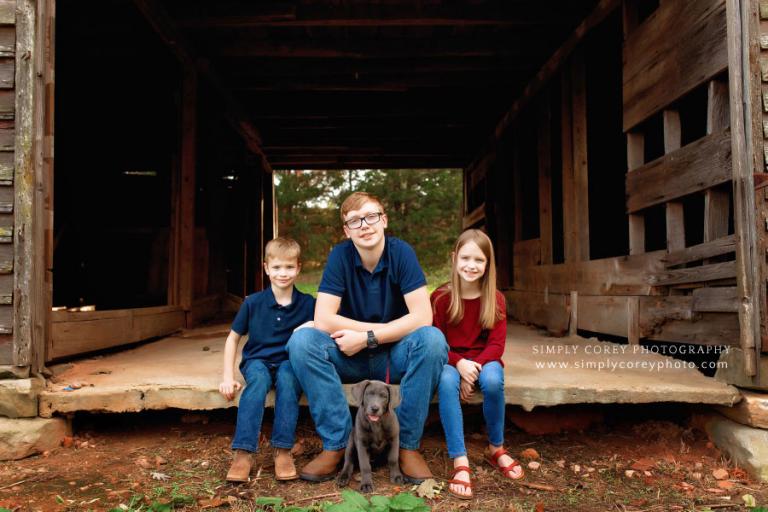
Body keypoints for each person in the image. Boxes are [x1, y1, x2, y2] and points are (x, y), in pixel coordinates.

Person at [287, 191, 448, 483]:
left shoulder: (401, 253)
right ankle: (336, 445)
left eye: (371, 216)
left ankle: (407, 447)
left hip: (393, 354)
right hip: (349, 354)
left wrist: (368, 337)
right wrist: (361, 338)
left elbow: (423, 317)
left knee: (432, 340)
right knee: (302, 343)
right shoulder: (340, 256)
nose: (365, 225)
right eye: (355, 221)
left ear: (384, 219)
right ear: (347, 230)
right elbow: (323, 317)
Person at [431, 229, 524, 500]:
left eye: (479, 260)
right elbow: (435, 343)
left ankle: (496, 447)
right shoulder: (440, 298)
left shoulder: (496, 299)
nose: (471, 265)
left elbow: (496, 345)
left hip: (485, 359)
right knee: (446, 381)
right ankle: (460, 460)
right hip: (450, 359)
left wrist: (473, 368)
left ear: (488, 264)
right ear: (454, 258)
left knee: (494, 381)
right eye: (465, 258)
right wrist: (459, 364)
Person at [219, 237, 315, 482]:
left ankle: (282, 449)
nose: (283, 273)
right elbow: (233, 339)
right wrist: (228, 377)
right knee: (258, 383)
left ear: (298, 267)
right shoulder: (252, 302)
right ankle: (244, 452)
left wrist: (308, 324)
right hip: (257, 360)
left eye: (289, 267)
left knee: (287, 381)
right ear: (266, 268)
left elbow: (325, 324)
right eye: (277, 267)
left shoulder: (307, 304)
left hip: (287, 362)